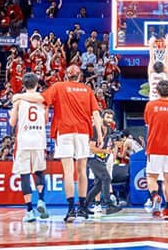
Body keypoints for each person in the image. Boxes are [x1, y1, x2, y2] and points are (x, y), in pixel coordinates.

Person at [14, 64, 103, 223]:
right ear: (80, 76)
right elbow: (96, 114)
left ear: (66, 75)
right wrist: (100, 135)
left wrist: (19, 97)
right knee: (82, 170)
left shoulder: (59, 86)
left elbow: (40, 98)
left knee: (68, 171)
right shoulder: (87, 90)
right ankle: (83, 207)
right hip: (83, 132)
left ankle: (71, 209)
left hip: (64, 131)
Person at [9, 73, 50, 222]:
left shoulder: (18, 100)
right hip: (38, 140)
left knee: (25, 175)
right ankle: (41, 200)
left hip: (23, 141)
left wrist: (12, 112)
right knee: (39, 172)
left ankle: (29, 210)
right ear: (37, 84)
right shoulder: (42, 99)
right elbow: (45, 121)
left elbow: (12, 122)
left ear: (23, 85)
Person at [144, 79, 168, 220]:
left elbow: (147, 122)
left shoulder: (150, 105)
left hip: (154, 146)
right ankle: (167, 209)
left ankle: (155, 195)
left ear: (156, 91)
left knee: (151, 177)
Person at [86, 109, 123, 216]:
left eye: (111, 118)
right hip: (92, 158)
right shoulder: (95, 129)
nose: (109, 120)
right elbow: (91, 148)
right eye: (107, 117)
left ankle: (83, 206)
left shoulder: (109, 130)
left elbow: (111, 144)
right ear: (102, 118)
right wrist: (105, 151)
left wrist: (117, 145)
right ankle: (108, 205)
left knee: (98, 185)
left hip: (101, 159)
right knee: (106, 178)